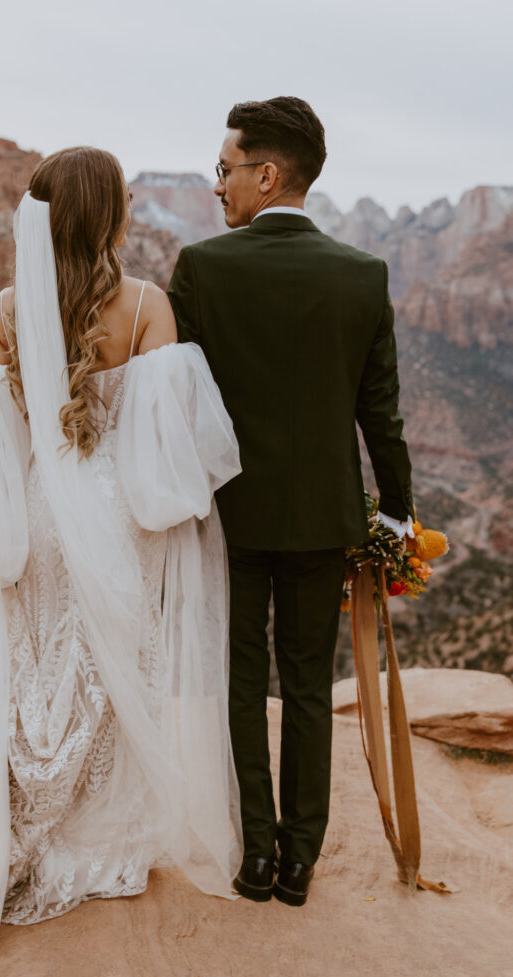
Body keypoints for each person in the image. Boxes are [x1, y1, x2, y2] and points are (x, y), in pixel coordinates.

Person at [0, 147, 243, 962]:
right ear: (106, 215)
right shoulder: (145, 307)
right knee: (104, 676)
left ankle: (2, 823)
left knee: (28, 664)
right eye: (125, 198)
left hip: (37, 512)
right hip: (114, 519)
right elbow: (161, 457)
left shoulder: (6, 309)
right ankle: (85, 836)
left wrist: (3, 534)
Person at [167, 96, 414, 907]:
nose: (217, 187)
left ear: (266, 174)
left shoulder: (204, 269)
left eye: (225, 170)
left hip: (227, 520)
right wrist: (393, 517)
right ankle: (301, 860)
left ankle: (255, 856)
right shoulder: (362, 275)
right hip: (322, 520)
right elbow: (378, 412)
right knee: (307, 686)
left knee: (239, 683)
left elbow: (178, 406)